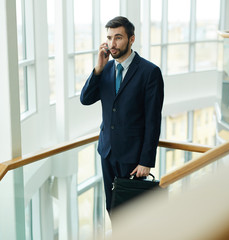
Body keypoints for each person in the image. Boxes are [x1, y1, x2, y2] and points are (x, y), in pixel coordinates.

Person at [80, 16, 164, 213]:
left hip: (133, 158)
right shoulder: (106, 69)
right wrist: (98, 68)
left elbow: (153, 120)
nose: (112, 43)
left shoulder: (149, 72)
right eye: (109, 38)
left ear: (131, 39)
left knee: (132, 212)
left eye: (118, 37)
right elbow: (85, 99)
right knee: (112, 208)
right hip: (107, 152)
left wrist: (146, 160)